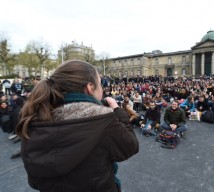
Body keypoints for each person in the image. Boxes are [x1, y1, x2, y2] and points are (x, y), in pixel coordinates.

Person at [16, 60, 139, 192]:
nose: (102, 88)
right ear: (90, 87)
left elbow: (34, 181)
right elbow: (130, 146)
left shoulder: (33, 119)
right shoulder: (103, 118)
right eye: (100, 84)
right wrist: (117, 110)